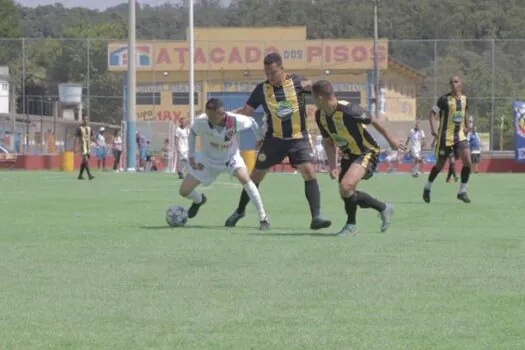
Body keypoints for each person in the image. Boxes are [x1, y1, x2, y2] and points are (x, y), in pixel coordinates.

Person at [224, 52, 331, 230]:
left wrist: (310, 83)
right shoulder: (261, 90)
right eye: (266, 73)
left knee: (309, 172)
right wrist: (226, 118)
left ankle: (316, 217)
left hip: (298, 138)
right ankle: (240, 210)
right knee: (255, 176)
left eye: (273, 73)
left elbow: (317, 89)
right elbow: (247, 110)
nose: (270, 77)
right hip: (274, 140)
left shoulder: (297, 83)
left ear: (282, 69)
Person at [311, 80, 405, 236]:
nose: (312, 101)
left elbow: (373, 120)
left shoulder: (348, 109)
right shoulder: (320, 115)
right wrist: (333, 165)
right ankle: (383, 208)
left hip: (366, 152)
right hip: (349, 155)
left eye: (313, 97)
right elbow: (328, 142)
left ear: (320, 98)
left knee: (346, 186)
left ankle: (351, 225)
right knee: (346, 191)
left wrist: (391, 139)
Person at [179, 98, 270, 230]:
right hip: (208, 162)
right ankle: (199, 200)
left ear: (222, 114)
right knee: (184, 191)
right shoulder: (201, 121)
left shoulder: (235, 121)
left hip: (230, 159)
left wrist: (260, 139)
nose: (208, 118)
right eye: (207, 114)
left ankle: (263, 218)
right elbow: (193, 133)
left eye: (211, 115)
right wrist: (192, 156)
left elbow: (252, 122)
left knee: (246, 180)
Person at [423, 75, 473, 203]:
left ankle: (462, 191)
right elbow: (432, 113)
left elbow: (465, 112)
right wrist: (433, 128)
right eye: (451, 82)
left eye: (456, 82)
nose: (453, 84)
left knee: (468, 161)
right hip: (445, 136)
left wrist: (468, 125)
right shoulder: (444, 99)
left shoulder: (464, 99)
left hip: (460, 136)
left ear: (461, 83)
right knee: (440, 165)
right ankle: (427, 187)